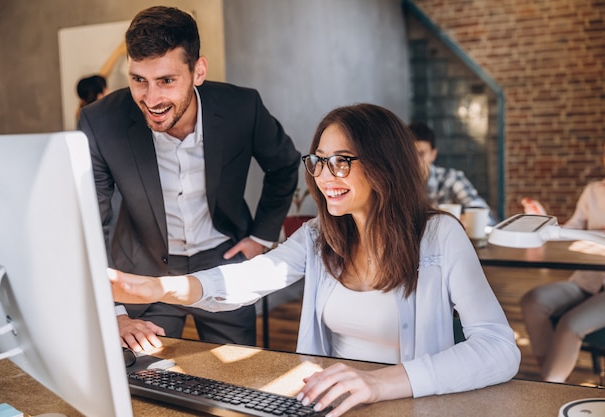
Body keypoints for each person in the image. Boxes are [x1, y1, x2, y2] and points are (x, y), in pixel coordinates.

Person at [109, 103, 520, 416]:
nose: (324, 175)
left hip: (406, 402)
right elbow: (249, 278)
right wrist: (159, 287)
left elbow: (500, 348)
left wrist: (378, 384)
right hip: (332, 403)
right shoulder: (318, 236)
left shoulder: (440, 235)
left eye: (342, 161)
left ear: (384, 166)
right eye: (319, 160)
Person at [78, 6, 300, 351]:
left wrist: (261, 236)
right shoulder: (100, 122)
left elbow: (284, 165)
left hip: (222, 261)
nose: (151, 100)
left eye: (166, 81)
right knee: (146, 379)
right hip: (143, 270)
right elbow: (91, 220)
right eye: (139, 80)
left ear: (198, 71)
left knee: (236, 373)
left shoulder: (243, 107)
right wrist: (115, 311)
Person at [520, 177, 605, 383]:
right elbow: (573, 228)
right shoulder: (593, 190)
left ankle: (549, 387)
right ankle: (555, 381)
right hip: (588, 280)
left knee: (569, 325)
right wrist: (544, 223)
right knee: (533, 302)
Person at [409, 122, 494, 223]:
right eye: (410, 154)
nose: (416, 160)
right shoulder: (398, 184)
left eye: (421, 154)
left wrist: (464, 220)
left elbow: (485, 215)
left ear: (433, 154)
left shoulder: (450, 179)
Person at [75, 41, 127, 120]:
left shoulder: (84, 110)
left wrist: (118, 51)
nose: (109, 91)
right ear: (100, 96)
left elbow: (102, 75)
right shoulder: (110, 114)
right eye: (105, 89)